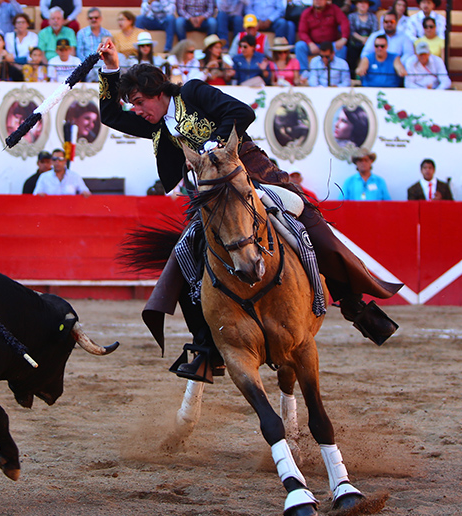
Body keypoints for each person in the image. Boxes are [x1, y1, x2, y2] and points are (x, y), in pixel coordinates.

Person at [96, 39, 401, 382]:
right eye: (133, 104)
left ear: (157, 91)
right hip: (211, 198)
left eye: (138, 102)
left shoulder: (192, 93)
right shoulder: (154, 124)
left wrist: (218, 144)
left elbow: (242, 112)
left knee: (310, 226)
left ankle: (354, 304)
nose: (136, 110)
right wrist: (110, 67)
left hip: (253, 175)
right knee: (185, 258)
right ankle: (205, 346)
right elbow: (109, 115)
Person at [295, 0, 349, 74]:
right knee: (299, 46)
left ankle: (337, 74)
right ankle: (304, 74)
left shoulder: (334, 9)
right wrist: (310, 43)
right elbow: (302, 31)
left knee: (342, 48)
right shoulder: (307, 13)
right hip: (314, 45)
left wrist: (344, 38)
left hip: (331, 45)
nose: (318, 1)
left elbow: (344, 22)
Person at [346, 0, 377, 75]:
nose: (363, 4)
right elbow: (351, 31)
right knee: (351, 54)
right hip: (355, 43)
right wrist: (362, 39)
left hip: (370, 43)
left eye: (365, 3)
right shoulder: (351, 16)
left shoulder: (373, 16)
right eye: (360, 2)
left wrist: (368, 40)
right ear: (356, 4)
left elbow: (375, 31)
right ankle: (352, 76)